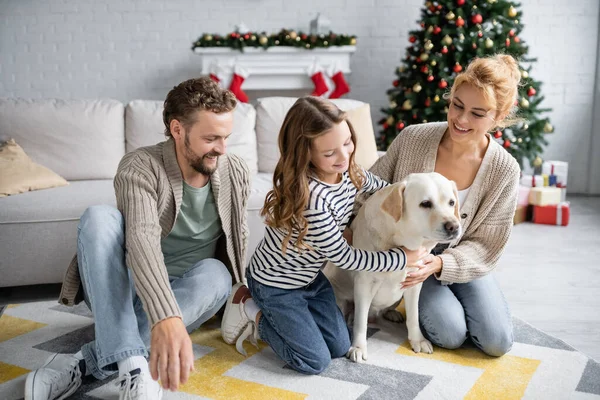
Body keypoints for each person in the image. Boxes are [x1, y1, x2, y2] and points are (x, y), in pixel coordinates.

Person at [25, 77, 251, 400]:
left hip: (186, 295)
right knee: (99, 218)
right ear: (177, 130)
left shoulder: (234, 171)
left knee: (218, 274)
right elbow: (142, 241)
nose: (222, 149)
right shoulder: (141, 166)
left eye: (226, 137)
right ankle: (133, 364)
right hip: (121, 288)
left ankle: (91, 362)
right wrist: (165, 317)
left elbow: (239, 240)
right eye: (211, 138)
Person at [219, 96, 426, 375]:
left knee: (340, 346)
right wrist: (401, 257)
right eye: (329, 153)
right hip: (276, 284)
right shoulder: (313, 201)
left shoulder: (351, 172)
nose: (343, 157)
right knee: (313, 361)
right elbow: (345, 257)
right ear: (306, 154)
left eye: (347, 143)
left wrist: (416, 199)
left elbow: (386, 192)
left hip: (311, 279)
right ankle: (248, 308)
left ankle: (294, 322)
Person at [363, 54, 522, 357]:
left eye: (477, 114)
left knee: (496, 342)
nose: (461, 120)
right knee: (449, 333)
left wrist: (439, 264)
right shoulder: (413, 139)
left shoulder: (504, 170)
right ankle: (414, 303)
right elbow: (371, 191)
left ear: (498, 118)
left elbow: (487, 245)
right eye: (457, 105)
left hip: (463, 261)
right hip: (408, 259)